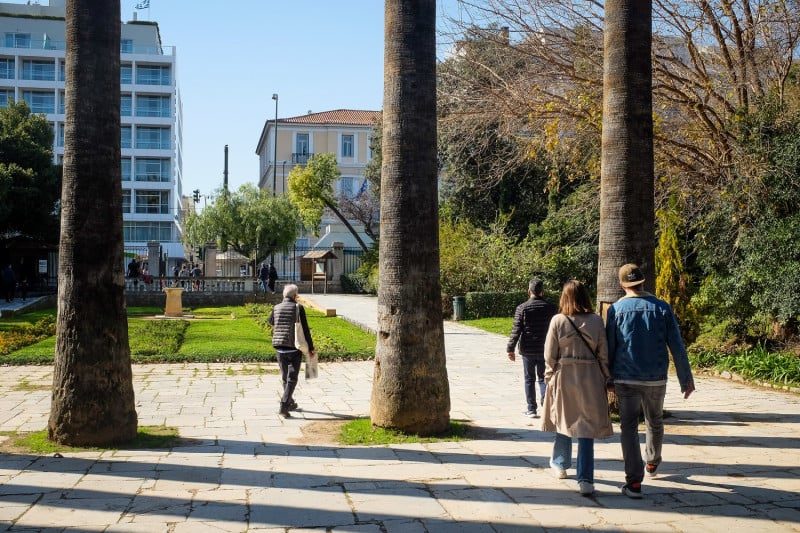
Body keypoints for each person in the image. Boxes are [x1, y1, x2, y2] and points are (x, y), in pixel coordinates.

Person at [606, 263, 695, 499]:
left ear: (622, 284)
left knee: (628, 427)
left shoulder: (615, 310)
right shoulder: (662, 307)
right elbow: (677, 345)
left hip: (625, 377)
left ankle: (634, 482)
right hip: (656, 378)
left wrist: (608, 378)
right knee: (654, 420)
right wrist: (686, 379)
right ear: (644, 281)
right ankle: (653, 461)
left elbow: (610, 348)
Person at [541, 280, 613, 496]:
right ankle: (586, 479)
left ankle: (561, 464)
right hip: (590, 376)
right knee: (586, 427)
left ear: (565, 297)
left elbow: (549, 354)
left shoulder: (558, 320)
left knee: (564, 420)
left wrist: (548, 376)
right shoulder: (596, 321)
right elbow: (603, 353)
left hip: (564, 375)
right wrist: (606, 377)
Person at [506, 278, 557, 417]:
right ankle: (545, 400)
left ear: (529, 291)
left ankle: (531, 409)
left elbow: (516, 329)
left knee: (529, 379)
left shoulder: (522, 308)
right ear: (542, 292)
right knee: (543, 378)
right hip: (545, 348)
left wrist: (510, 348)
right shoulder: (552, 308)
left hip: (527, 349)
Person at [268, 283, 316, 417]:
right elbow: (305, 329)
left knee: (285, 377)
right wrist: (311, 348)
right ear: (295, 296)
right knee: (292, 378)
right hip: (293, 347)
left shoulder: (276, 307)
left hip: (279, 346)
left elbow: (271, 321)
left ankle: (290, 402)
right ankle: (284, 405)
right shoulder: (298, 307)